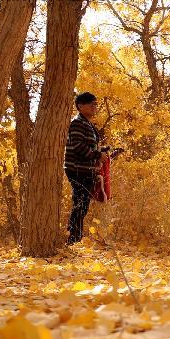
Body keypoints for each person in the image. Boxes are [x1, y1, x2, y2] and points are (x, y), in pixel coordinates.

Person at [64, 92, 107, 245]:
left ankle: (75, 238)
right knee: (80, 204)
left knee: (83, 204)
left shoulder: (87, 124)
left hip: (86, 170)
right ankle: (72, 239)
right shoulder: (77, 123)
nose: (95, 107)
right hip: (77, 169)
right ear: (80, 106)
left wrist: (102, 153)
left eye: (96, 104)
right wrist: (97, 155)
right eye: (92, 104)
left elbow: (89, 146)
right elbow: (77, 146)